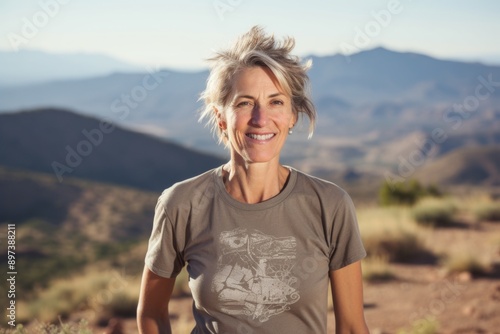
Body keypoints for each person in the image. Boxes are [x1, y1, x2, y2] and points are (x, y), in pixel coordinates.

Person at [137, 26, 369, 334]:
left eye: (276, 102)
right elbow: (151, 314)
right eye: (245, 102)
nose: (261, 119)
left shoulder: (330, 205)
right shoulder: (182, 204)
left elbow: (352, 327)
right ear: (221, 118)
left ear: (292, 116)